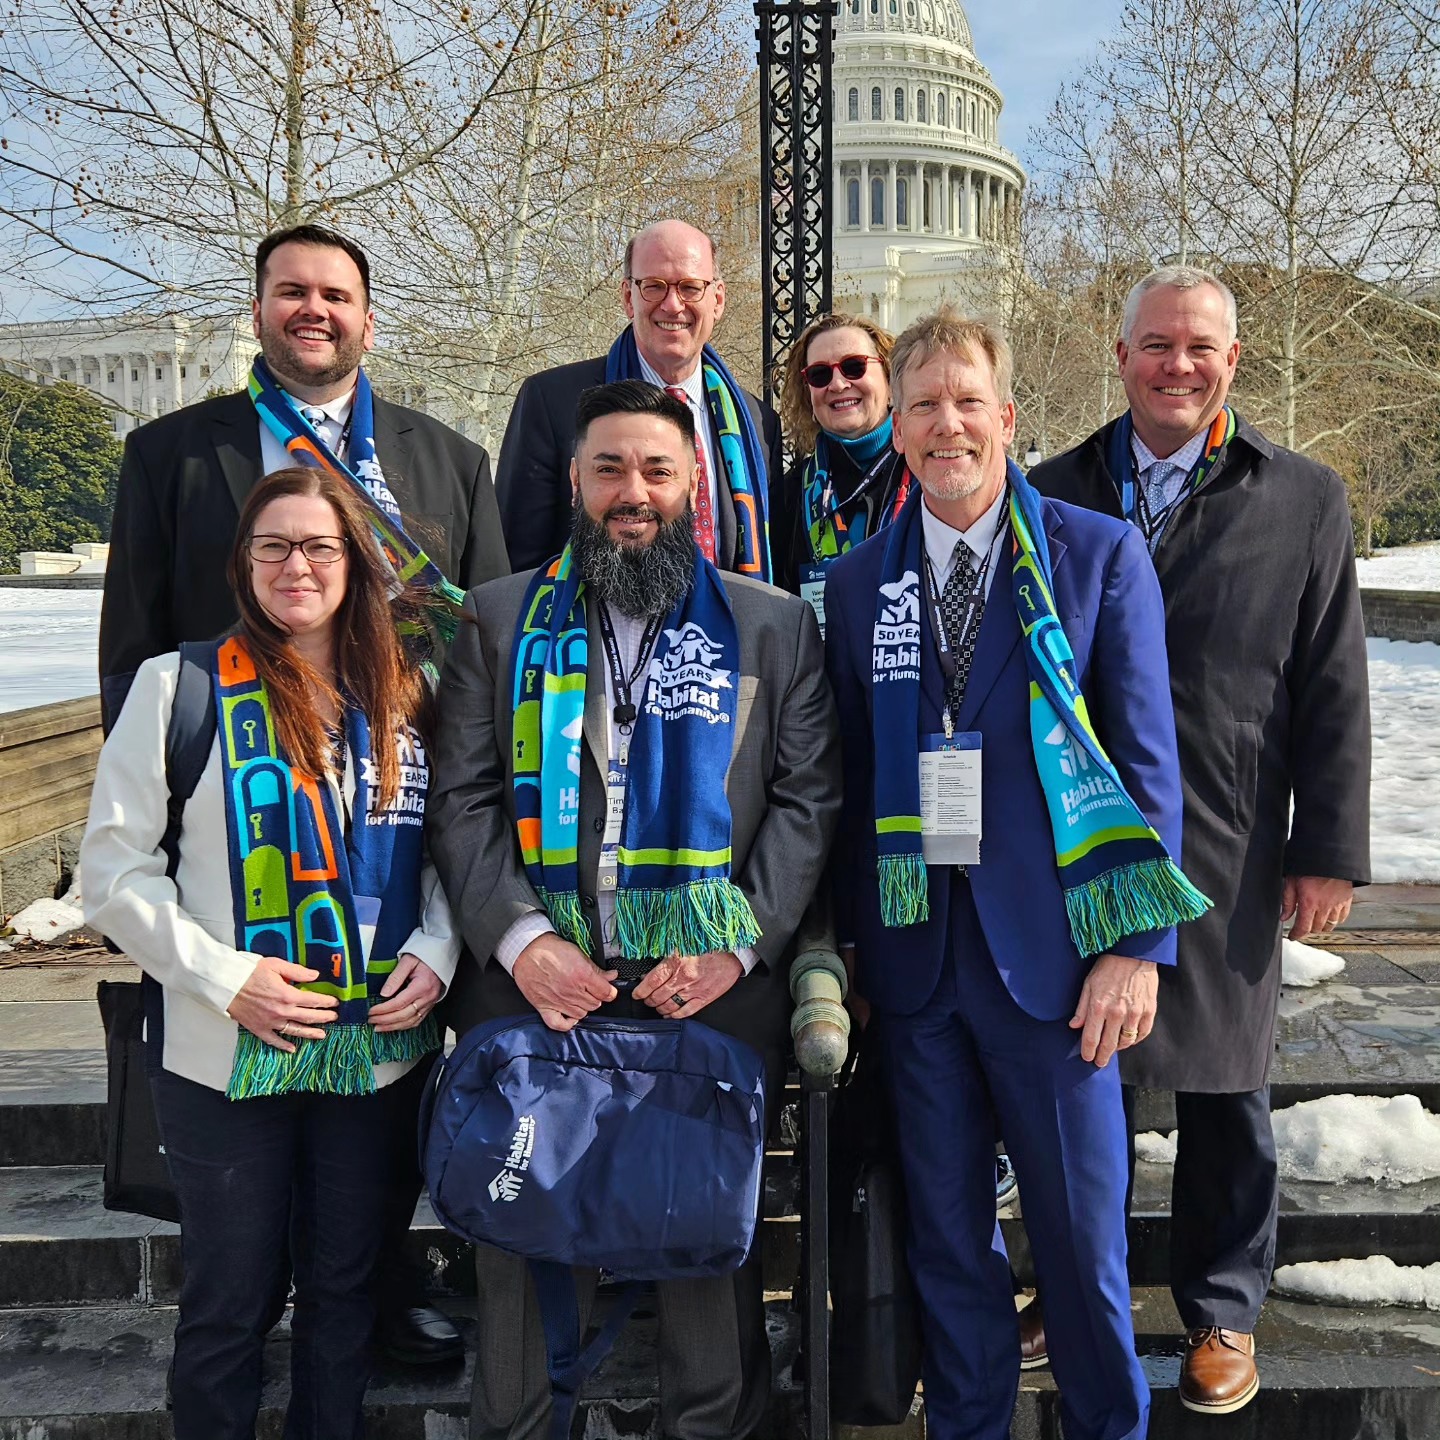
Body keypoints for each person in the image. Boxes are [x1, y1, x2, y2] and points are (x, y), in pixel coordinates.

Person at [97, 222, 507, 1363]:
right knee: (238, 1210)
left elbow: (484, 664)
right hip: (240, 840)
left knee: (372, 1123)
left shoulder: (445, 460)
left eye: (336, 294)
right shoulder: (174, 454)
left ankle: (372, 1292)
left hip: (397, 828)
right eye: (291, 293)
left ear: (370, 318)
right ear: (262, 308)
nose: (313, 311)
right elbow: (130, 652)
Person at [429, 380, 841, 1440]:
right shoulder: (496, 617)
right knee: (520, 1248)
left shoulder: (774, 626)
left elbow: (806, 803)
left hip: (700, 988)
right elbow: (462, 799)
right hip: (535, 987)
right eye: (609, 468)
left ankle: (717, 1423)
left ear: (692, 481)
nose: (633, 492)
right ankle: (519, 1426)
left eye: (656, 469)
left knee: (700, 1235)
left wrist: (733, 947)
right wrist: (522, 944)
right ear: (574, 479)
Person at [824, 308, 1205, 1440]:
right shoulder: (855, 585)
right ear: (896, 429)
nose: (948, 426)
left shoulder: (1096, 555)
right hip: (916, 969)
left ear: (1008, 418)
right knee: (948, 1243)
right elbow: (845, 782)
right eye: (924, 405)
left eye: (967, 402)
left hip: (1058, 967)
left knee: (1084, 1248)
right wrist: (845, 952)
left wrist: (1138, 949)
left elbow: (1147, 763)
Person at [1031, 264, 1371, 1416]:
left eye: (1202, 348)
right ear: (1120, 353)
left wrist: (1327, 845)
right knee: (1089, 1077)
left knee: (1227, 1082)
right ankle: (1080, 1282)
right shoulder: (1049, 491)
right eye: (1158, 345)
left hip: (1227, 832)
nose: (1179, 365)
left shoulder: (1303, 497)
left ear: (1233, 360)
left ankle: (1222, 1307)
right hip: (1079, 833)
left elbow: (1333, 685)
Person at [81, 466, 462, 1439]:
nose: (299, 565)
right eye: (275, 546)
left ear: (357, 564)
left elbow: (440, 857)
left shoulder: (407, 699)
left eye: (321, 546)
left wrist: (437, 949)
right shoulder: (180, 687)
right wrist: (227, 977)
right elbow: (112, 878)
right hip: (223, 1059)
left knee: (343, 1300)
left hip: (376, 1056)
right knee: (229, 1302)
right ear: (244, 564)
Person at [494, 220, 784, 578]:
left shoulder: (756, 421)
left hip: (726, 629)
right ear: (628, 297)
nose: (673, 305)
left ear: (718, 300)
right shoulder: (552, 401)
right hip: (586, 629)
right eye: (654, 287)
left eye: (691, 287)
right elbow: (517, 561)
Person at [772, 312, 909, 603]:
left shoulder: (927, 474)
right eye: (820, 374)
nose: (837, 384)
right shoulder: (788, 496)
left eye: (854, 367)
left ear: (889, 377)